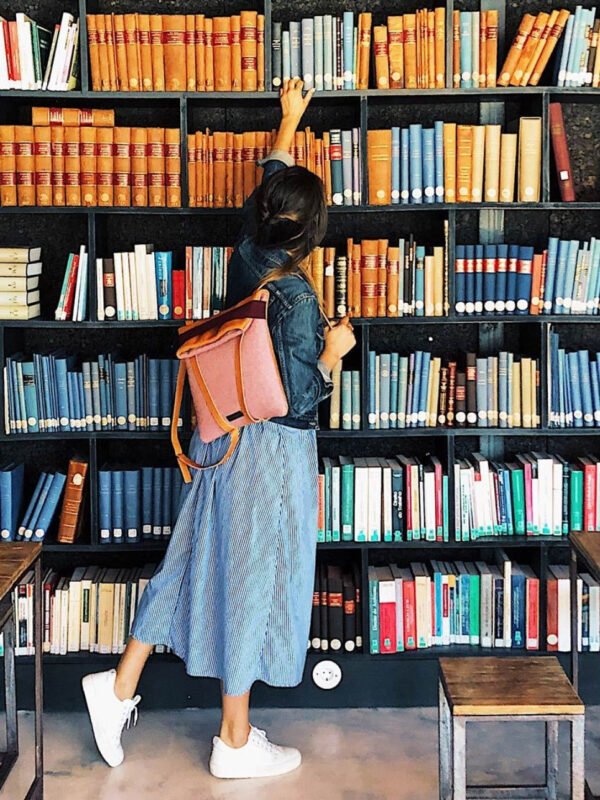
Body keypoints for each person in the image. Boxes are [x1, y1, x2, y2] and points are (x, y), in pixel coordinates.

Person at [81, 79, 356, 780]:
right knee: (253, 576)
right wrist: (333, 353)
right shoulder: (296, 295)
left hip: (219, 435)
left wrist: (287, 124)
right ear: (312, 233)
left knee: (191, 557)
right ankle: (233, 740)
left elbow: (266, 193)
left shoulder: (249, 256)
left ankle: (117, 687)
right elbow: (298, 401)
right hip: (268, 450)